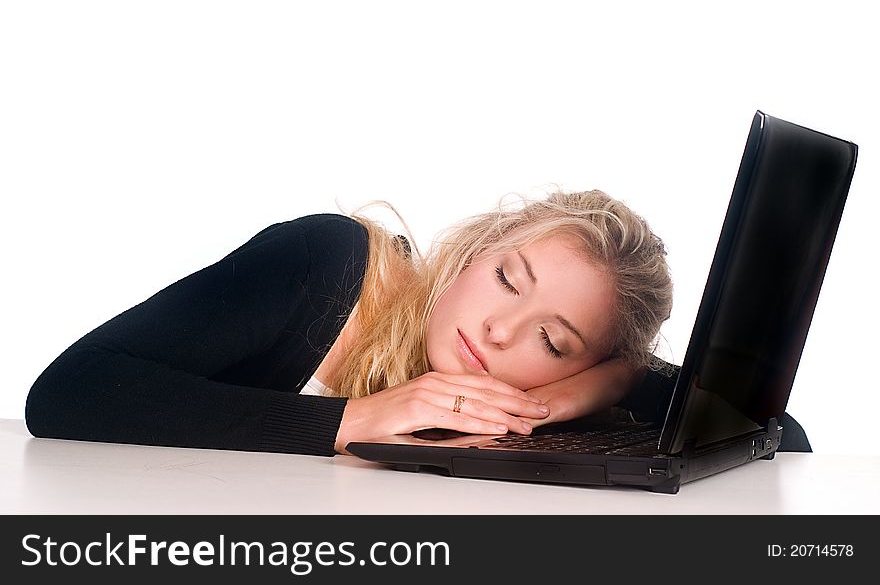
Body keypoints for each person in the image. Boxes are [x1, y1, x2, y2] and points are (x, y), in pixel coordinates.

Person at [25, 189, 677, 457]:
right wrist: (352, 420)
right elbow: (66, 393)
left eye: (553, 340)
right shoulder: (325, 260)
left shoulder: (541, 396)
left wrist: (615, 382)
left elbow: (772, 431)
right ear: (482, 248)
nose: (502, 330)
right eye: (508, 278)